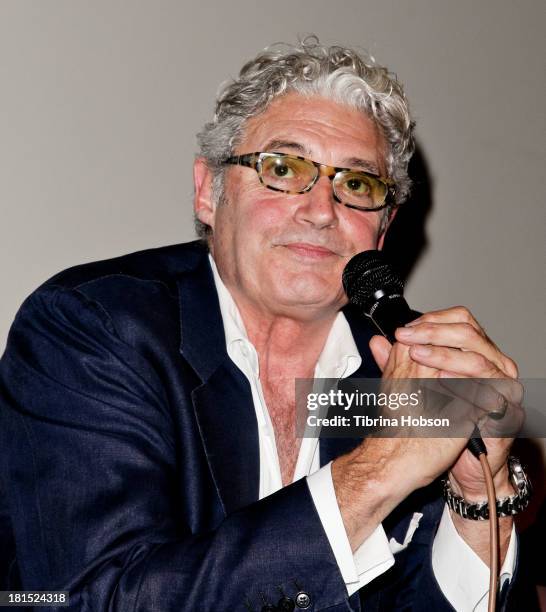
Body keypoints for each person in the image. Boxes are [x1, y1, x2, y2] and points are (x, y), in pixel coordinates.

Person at [0, 37, 531, 611]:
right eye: (283, 168)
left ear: (383, 227)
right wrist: (376, 472)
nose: (322, 210)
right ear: (209, 191)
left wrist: (479, 500)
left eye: (356, 184)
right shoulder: (92, 329)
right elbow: (85, 600)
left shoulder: (404, 373)